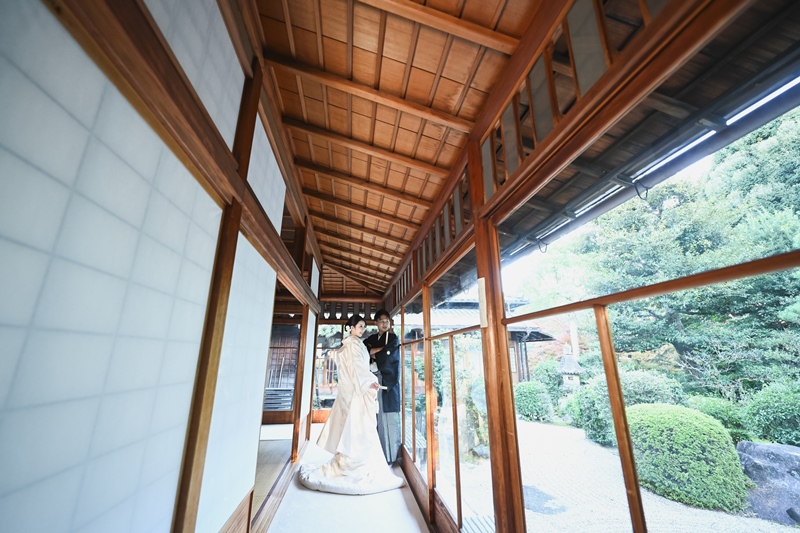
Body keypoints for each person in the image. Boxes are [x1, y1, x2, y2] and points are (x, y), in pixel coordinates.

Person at [299, 315, 405, 495]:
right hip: (357, 391)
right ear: (351, 328)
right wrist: (369, 381)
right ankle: (354, 462)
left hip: (354, 389)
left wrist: (368, 379)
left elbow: (360, 367)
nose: (363, 330)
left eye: (364, 327)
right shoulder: (353, 345)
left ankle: (353, 459)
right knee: (359, 427)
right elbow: (357, 368)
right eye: (360, 326)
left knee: (357, 428)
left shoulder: (353, 343)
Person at [362, 309, 401, 464]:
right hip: (372, 379)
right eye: (382, 321)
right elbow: (364, 351)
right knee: (373, 415)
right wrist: (380, 351)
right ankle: (377, 454)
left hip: (387, 380)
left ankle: (390, 457)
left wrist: (375, 353)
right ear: (376, 323)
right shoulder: (371, 338)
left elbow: (388, 355)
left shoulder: (393, 338)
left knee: (388, 415)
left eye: (387, 321)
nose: (385, 324)